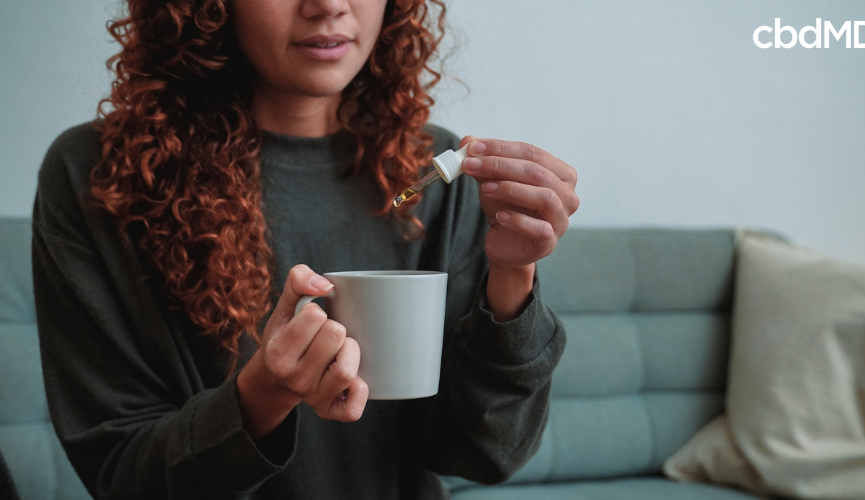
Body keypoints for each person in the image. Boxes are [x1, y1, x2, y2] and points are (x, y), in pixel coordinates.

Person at [32, 0, 579, 498]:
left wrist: (511, 275)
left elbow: (484, 454)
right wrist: (263, 397)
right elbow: (121, 477)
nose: (330, 6)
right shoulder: (102, 178)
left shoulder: (426, 169)